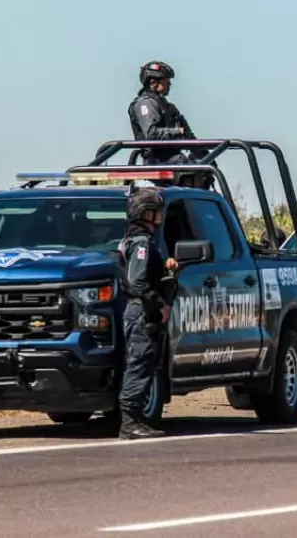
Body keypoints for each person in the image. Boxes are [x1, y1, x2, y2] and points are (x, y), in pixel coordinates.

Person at [116, 187, 178, 439]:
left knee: (144, 363)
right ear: (146, 213)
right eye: (156, 211)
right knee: (139, 364)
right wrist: (159, 305)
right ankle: (130, 423)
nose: (160, 215)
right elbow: (137, 282)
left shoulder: (136, 240)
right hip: (143, 312)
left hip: (140, 312)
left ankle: (136, 419)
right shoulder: (141, 242)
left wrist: (165, 266)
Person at [127, 60, 207, 165]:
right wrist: (177, 132)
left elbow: (189, 135)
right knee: (185, 165)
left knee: (203, 161)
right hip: (156, 160)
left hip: (172, 157)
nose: (169, 83)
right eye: (166, 80)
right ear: (152, 82)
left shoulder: (169, 107)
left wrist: (202, 153)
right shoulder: (146, 103)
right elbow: (151, 135)